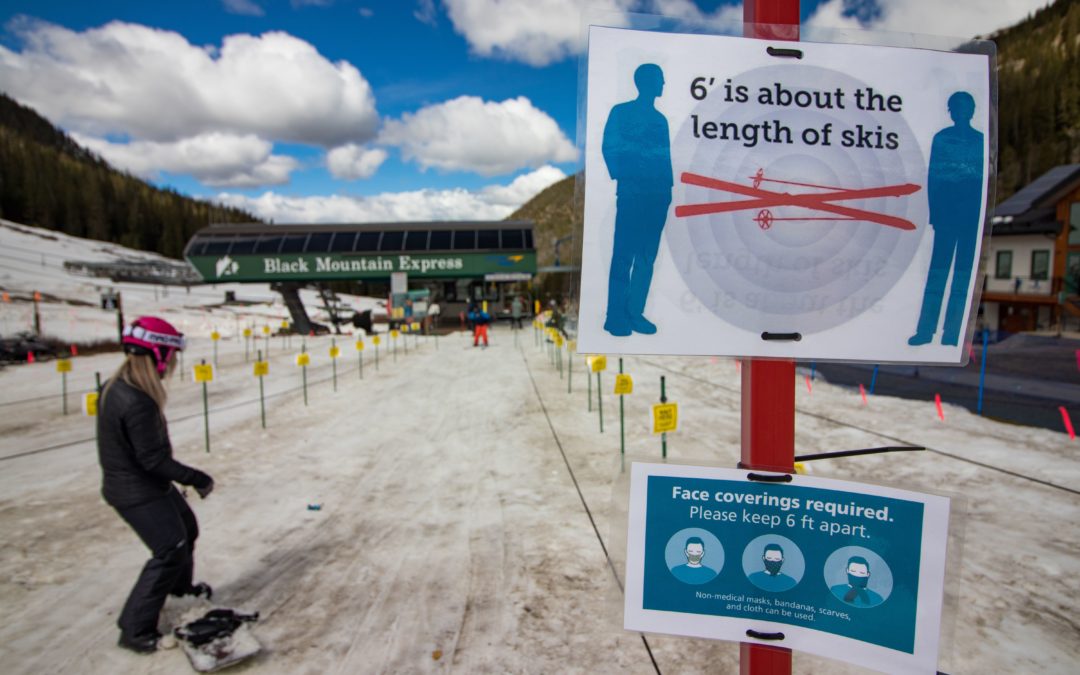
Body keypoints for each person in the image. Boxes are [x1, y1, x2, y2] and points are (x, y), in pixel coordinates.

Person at [98, 317, 215, 653]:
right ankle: (135, 628)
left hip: (146, 484)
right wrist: (197, 477)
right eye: (172, 358)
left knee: (186, 529)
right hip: (137, 490)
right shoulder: (136, 401)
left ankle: (179, 592)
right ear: (159, 356)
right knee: (169, 549)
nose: (173, 367)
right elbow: (153, 460)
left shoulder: (118, 388)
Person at [602, 62, 673, 337]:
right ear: (647, 82)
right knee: (623, 255)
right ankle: (614, 316)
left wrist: (667, 189)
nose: (663, 84)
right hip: (632, 194)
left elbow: (664, 156)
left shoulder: (661, 120)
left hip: (657, 196)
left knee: (646, 258)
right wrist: (628, 178)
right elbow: (610, 145)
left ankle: (634, 313)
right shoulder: (621, 112)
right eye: (660, 79)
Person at [909, 91, 985, 347]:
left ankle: (952, 333)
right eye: (956, 107)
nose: (960, 112)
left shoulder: (980, 141)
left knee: (963, 277)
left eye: (965, 107)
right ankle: (926, 330)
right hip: (947, 217)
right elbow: (933, 179)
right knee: (937, 275)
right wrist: (936, 213)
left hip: (971, 219)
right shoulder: (942, 139)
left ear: (971, 111)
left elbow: (982, 182)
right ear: (950, 110)